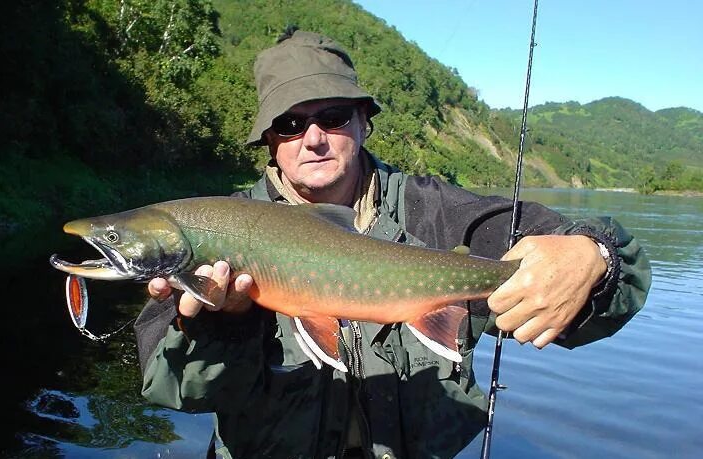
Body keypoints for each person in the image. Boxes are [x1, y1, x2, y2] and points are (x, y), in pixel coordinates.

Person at [133, 29, 651, 459]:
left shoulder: (441, 216)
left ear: (363, 122)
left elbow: (609, 287)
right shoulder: (218, 232)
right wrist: (225, 326)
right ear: (270, 140)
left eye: (332, 116)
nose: (313, 137)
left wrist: (595, 255)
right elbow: (170, 388)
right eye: (290, 124)